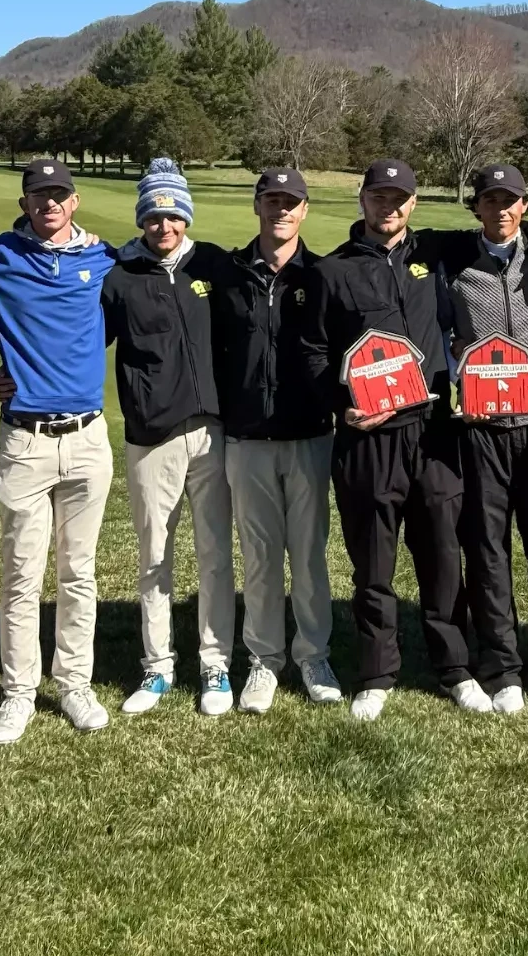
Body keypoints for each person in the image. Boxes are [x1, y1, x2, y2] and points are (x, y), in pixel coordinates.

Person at [299, 159, 481, 721]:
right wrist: (343, 407)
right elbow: (313, 354)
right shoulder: (332, 271)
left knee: (443, 556)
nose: (391, 207)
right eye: (380, 196)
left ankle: (455, 667)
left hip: (433, 435)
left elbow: (507, 229)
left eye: (400, 198)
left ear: (414, 202)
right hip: (367, 440)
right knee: (373, 566)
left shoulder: (436, 254)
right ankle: (377, 673)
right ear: (362, 199)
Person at [0, 159, 117, 743]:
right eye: (38, 195)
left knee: (79, 573)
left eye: (59, 194)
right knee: (22, 576)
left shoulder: (103, 258)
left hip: (88, 439)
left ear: (75, 201)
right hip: (25, 440)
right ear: (24, 202)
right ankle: (19, 692)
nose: (49, 203)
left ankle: (74, 682)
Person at [430, 164, 528, 714]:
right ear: (476, 207)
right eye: (490, 200)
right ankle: (503, 667)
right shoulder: (454, 263)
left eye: (511, 201)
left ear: (526, 206)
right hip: (481, 427)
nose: (500, 209)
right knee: (487, 548)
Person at [100, 159, 237, 717]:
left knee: (214, 554)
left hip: (212, 431)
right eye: (154, 216)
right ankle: (157, 666)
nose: (164, 225)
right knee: (155, 554)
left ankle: (215, 663)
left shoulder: (213, 265)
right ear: (142, 220)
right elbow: (82, 345)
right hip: (151, 434)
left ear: (186, 216)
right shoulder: (120, 275)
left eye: (174, 214)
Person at [207, 167, 341, 713]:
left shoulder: (324, 276)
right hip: (248, 438)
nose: (281, 210)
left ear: (304, 210)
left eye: (291, 202)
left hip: (309, 435)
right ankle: (264, 660)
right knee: (260, 557)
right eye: (272, 201)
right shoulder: (228, 274)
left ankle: (312, 654)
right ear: (257, 206)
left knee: (308, 555)